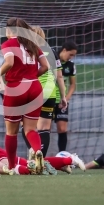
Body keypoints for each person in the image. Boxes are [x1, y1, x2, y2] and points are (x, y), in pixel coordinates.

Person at [0, 17, 49, 173]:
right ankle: (37, 151)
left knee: (11, 132)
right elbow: (45, 66)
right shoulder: (32, 44)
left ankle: (11, 167)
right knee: (31, 130)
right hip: (35, 88)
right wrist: (31, 77)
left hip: (16, 88)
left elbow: (9, 62)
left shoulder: (8, 44)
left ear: (9, 30)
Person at [21, 26, 67, 157]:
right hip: (50, 94)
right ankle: (41, 161)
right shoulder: (52, 51)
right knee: (44, 129)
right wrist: (63, 96)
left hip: (32, 91)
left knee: (26, 127)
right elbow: (59, 76)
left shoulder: (27, 51)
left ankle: (34, 153)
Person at [54, 41, 77, 152]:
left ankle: (61, 155)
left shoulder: (70, 66)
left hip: (62, 101)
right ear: (64, 50)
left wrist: (66, 99)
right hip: (49, 99)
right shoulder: (51, 60)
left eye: (73, 55)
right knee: (44, 129)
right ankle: (40, 157)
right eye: (70, 54)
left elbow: (73, 85)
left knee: (62, 128)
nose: (71, 57)